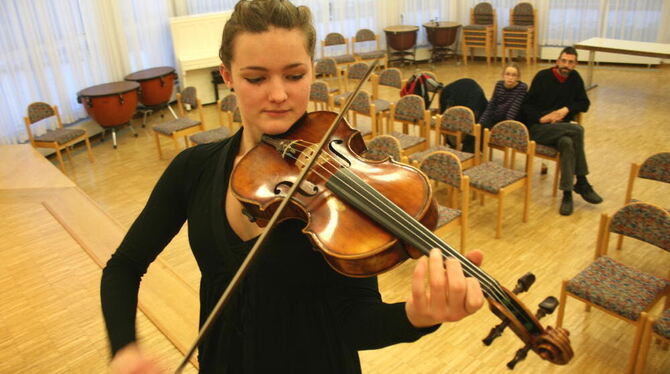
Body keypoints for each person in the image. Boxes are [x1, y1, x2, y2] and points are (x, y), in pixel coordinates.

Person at [100, 1, 484, 373]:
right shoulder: (193, 169)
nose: (279, 94)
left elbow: (354, 322)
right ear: (228, 75)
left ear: (313, 72)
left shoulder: (343, 184)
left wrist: (415, 317)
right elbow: (124, 266)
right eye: (256, 78)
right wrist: (124, 350)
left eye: (295, 75)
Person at [523, 46, 603, 216]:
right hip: (539, 128)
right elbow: (526, 106)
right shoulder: (542, 77)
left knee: (567, 143)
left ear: (575, 64)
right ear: (558, 61)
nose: (566, 65)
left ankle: (567, 194)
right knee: (578, 130)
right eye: (564, 61)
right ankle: (581, 180)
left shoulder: (575, 79)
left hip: (561, 129)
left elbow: (584, 103)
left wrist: (566, 109)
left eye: (570, 62)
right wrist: (541, 118)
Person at [479, 63, 527, 130]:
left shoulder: (522, 87)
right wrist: (481, 123)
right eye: (507, 74)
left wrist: (503, 127)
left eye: (514, 75)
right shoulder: (499, 84)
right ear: (503, 75)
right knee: (481, 127)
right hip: (496, 116)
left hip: (510, 119)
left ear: (518, 77)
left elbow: (513, 110)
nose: (510, 78)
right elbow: (492, 104)